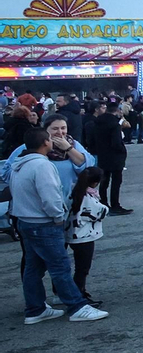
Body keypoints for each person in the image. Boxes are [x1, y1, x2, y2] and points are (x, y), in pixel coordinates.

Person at [14, 127, 109, 323]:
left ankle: (35, 308)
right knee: (60, 266)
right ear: (45, 143)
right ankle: (76, 306)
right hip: (43, 223)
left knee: (34, 267)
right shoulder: (42, 166)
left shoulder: (19, 163)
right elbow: (50, 196)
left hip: (25, 220)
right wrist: (58, 216)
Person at [67, 167, 109, 307]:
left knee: (79, 267)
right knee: (83, 268)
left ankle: (74, 292)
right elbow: (100, 212)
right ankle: (79, 294)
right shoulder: (88, 197)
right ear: (95, 183)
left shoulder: (74, 191)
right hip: (84, 236)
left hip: (73, 233)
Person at [85, 100, 131, 214]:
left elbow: (91, 140)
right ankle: (115, 205)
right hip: (115, 157)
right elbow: (116, 142)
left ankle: (103, 203)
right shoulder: (114, 124)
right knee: (116, 181)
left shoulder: (96, 122)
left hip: (102, 155)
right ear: (116, 111)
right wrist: (122, 150)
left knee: (104, 181)